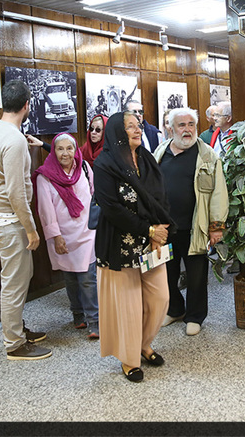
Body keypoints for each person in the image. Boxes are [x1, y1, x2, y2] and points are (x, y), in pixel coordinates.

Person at [94, 111, 174, 382]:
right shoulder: (104, 164)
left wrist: (159, 230)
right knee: (128, 307)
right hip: (120, 245)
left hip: (152, 242)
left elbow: (161, 197)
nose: (137, 130)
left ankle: (143, 343)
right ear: (117, 132)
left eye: (137, 126)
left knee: (160, 298)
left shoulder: (147, 159)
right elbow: (112, 208)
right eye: (129, 127)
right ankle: (130, 359)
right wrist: (148, 229)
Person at [0, 80, 51, 361]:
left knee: (21, 276)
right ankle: (14, 343)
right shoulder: (13, 139)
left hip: (0, 216)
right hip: (10, 220)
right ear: (26, 105)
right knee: (14, 282)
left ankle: (17, 328)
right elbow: (16, 193)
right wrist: (31, 229)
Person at [153, 107, 228, 336]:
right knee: (166, 273)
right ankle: (175, 309)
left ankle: (195, 316)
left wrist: (216, 227)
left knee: (196, 276)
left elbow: (219, 193)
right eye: (182, 125)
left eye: (191, 125)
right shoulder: (160, 151)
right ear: (171, 128)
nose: (187, 130)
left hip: (196, 227)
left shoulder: (208, 155)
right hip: (165, 228)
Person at [34, 133, 99, 339]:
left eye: (69, 148)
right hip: (64, 235)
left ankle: (94, 320)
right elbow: (45, 210)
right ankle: (77, 314)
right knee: (71, 278)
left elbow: (93, 195)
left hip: (87, 231)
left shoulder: (85, 168)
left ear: (75, 150)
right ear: (53, 151)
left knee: (88, 277)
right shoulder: (45, 176)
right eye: (60, 149)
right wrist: (56, 236)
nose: (65, 153)